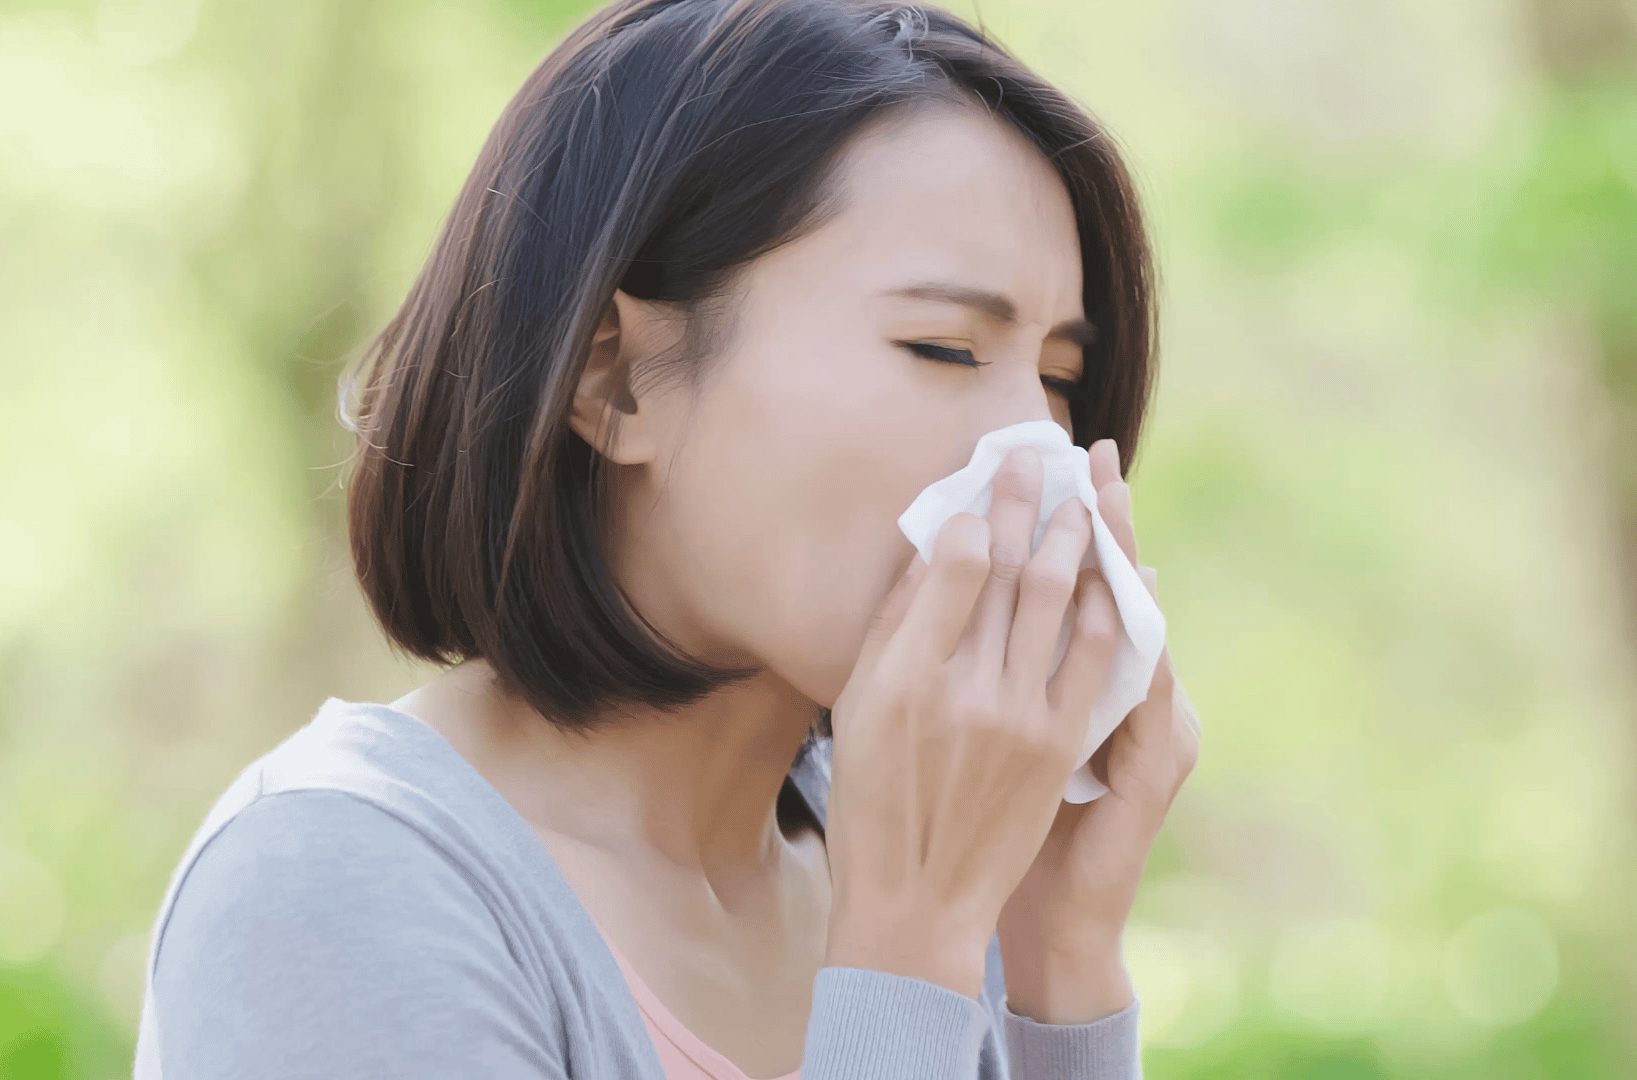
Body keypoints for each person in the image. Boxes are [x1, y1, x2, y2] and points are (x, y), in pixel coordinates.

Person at [134, 0, 1201, 1077]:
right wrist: (906, 956)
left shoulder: (919, 859)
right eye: (941, 347)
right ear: (614, 376)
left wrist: (1059, 958)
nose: (1034, 446)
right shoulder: (336, 880)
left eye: (1060, 377)